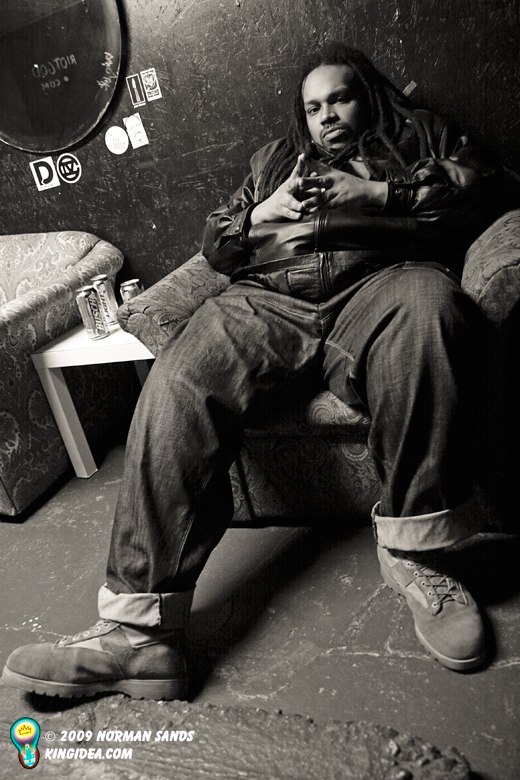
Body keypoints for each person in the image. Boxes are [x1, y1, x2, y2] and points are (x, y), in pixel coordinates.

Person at [2, 43, 501, 701]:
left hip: (382, 280)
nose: (326, 116)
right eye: (313, 107)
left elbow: (485, 190)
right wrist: (262, 213)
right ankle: (140, 634)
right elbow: (217, 244)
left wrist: (378, 192)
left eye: (340, 99)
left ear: (369, 97)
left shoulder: (419, 135)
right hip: (269, 297)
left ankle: (419, 554)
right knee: (183, 372)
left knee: (431, 311)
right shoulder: (274, 162)